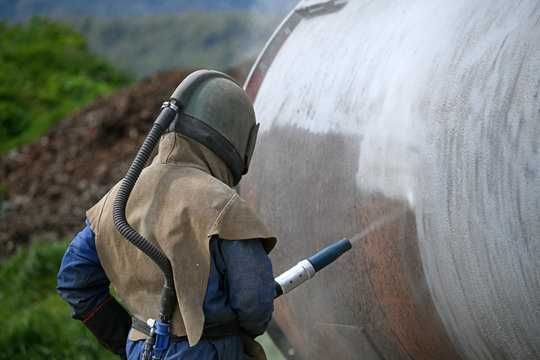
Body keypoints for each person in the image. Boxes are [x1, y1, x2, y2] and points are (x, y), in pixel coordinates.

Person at [57, 70, 277, 360]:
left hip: (142, 350)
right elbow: (254, 302)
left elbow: (74, 279)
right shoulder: (223, 207)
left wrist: (130, 337)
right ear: (237, 139)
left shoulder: (114, 202)